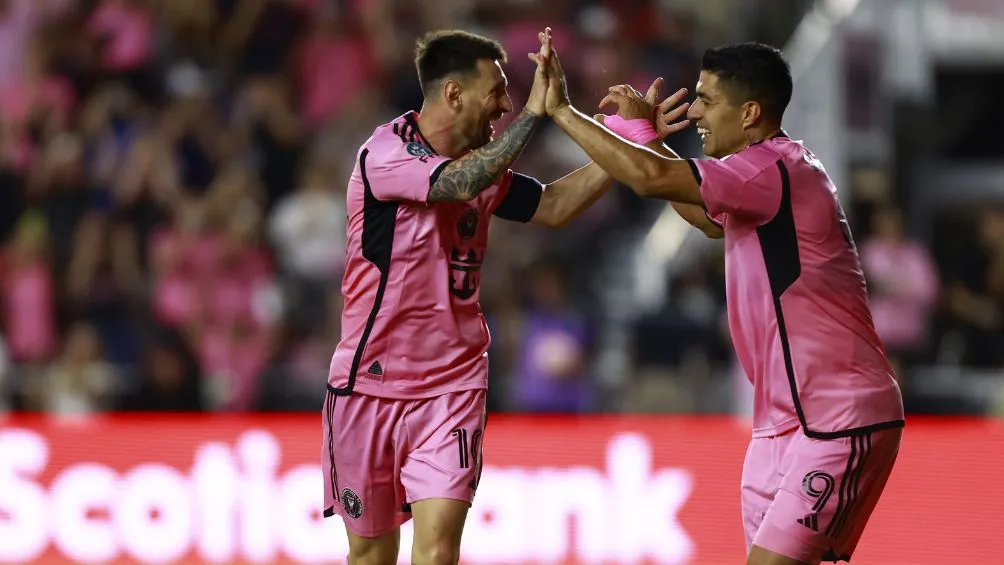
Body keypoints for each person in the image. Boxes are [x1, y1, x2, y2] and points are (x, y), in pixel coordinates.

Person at [321, 28, 691, 565]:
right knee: (371, 555)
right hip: (368, 383)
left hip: (452, 384)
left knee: (439, 546)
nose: (504, 104)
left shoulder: (483, 165)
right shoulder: (386, 153)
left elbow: (558, 205)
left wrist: (628, 141)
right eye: (495, 91)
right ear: (453, 94)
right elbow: (458, 184)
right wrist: (538, 114)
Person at [538, 39, 905, 565]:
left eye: (708, 100)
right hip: (780, 423)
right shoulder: (763, 175)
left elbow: (646, 179)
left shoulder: (771, 170)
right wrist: (647, 139)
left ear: (750, 112)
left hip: (837, 416)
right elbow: (708, 220)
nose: (696, 114)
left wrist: (561, 112)